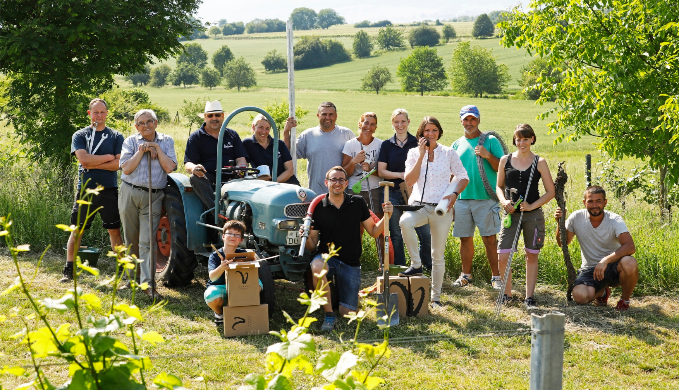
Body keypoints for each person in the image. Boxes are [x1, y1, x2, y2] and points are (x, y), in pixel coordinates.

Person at [303, 166, 392, 331]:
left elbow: (373, 232)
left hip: (351, 261)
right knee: (317, 268)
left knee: (347, 313)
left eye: (341, 180)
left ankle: (337, 299)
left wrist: (387, 217)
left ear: (346, 183)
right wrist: (306, 235)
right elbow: (312, 246)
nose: (337, 183)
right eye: (333, 180)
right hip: (327, 257)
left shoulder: (357, 203)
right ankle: (329, 315)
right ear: (326, 183)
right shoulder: (319, 207)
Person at [399, 117, 469, 309]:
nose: (430, 134)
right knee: (405, 222)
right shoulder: (413, 153)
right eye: (427, 131)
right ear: (420, 134)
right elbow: (410, 181)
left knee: (437, 254)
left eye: (434, 130)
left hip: (441, 208)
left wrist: (454, 194)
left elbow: (463, 177)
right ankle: (416, 264)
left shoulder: (448, 153)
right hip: (419, 206)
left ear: (439, 132)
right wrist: (422, 155)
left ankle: (435, 299)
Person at [61, 98, 125, 283]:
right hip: (86, 191)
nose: (99, 115)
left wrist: (96, 162)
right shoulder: (80, 135)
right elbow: (84, 161)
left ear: (107, 113)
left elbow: (118, 165)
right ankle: (69, 269)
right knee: (77, 231)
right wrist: (107, 157)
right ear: (89, 114)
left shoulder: (116, 136)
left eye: (102, 112)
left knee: (114, 232)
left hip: (109, 189)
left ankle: (121, 273)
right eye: (95, 112)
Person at [119, 109, 177, 298]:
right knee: (131, 237)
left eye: (149, 121)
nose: (146, 126)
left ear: (156, 123)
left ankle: (148, 284)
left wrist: (157, 149)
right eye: (141, 123)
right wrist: (142, 151)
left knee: (148, 241)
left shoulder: (166, 141)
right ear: (136, 126)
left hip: (153, 195)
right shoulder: (130, 141)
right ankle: (131, 279)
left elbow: (169, 167)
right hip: (130, 191)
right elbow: (126, 169)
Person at [496, 124, 555, 308]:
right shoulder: (505, 160)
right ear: (514, 140)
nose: (521, 143)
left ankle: (529, 297)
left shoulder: (540, 161)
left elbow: (550, 191)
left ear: (532, 139)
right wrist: (504, 202)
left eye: (525, 139)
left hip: (533, 215)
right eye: (518, 139)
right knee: (503, 255)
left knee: (531, 255)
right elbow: (499, 187)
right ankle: (507, 294)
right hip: (510, 214)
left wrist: (531, 206)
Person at [555, 186, 638, 311]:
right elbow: (563, 243)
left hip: (614, 266)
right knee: (579, 297)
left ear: (605, 202)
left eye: (598, 201)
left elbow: (630, 247)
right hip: (590, 269)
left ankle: (624, 301)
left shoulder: (614, 220)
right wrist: (559, 223)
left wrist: (605, 261)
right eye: (590, 201)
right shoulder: (576, 217)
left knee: (629, 262)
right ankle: (603, 292)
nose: (595, 205)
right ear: (584, 203)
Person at [451, 105, 506, 289]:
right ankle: (466, 275)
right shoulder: (456, 144)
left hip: (486, 199)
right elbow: (451, 175)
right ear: (461, 121)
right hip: (462, 199)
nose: (469, 123)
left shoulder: (490, 141)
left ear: (479, 120)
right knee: (465, 238)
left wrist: (487, 155)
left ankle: (496, 277)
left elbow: (503, 168)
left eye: (473, 119)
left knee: (490, 239)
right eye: (466, 119)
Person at [377, 109, 432, 270]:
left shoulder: (418, 142)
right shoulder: (386, 145)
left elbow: (427, 167)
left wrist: (410, 178)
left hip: (416, 192)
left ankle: (424, 266)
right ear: (392, 123)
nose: (400, 125)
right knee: (396, 234)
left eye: (403, 121)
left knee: (425, 233)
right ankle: (401, 268)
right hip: (392, 192)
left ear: (408, 122)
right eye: (396, 122)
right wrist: (403, 175)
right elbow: (381, 171)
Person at [184, 100, 248, 210]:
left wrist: (240, 167)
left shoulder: (232, 135)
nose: (214, 118)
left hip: (231, 176)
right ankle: (217, 212)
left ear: (222, 116)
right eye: (210, 116)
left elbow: (241, 158)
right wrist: (195, 168)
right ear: (205, 117)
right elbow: (188, 163)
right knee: (195, 178)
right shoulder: (196, 137)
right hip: (208, 177)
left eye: (217, 115)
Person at [284, 102, 354, 195]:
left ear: (336, 116)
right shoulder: (308, 135)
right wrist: (286, 132)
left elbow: (356, 160)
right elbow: (287, 154)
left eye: (331, 114)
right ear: (318, 115)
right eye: (324, 114)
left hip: (341, 193)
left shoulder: (347, 134)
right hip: (316, 192)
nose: (327, 117)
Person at [204, 220, 263, 326]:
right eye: (229, 233)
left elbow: (252, 276)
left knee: (258, 284)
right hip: (220, 288)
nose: (233, 236)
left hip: (238, 288)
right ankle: (219, 314)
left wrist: (253, 263)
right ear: (223, 236)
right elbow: (212, 277)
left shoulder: (244, 254)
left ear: (241, 240)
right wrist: (222, 267)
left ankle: (239, 312)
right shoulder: (215, 255)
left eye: (237, 235)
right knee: (212, 296)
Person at [341, 112, 382, 216]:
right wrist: (353, 162)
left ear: (375, 127)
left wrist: (370, 170)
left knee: (378, 220)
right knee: (355, 222)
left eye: (372, 124)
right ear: (360, 124)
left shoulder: (380, 144)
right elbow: (345, 173)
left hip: (375, 188)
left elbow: (383, 172)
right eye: (366, 123)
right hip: (354, 189)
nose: (369, 127)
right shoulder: (350, 144)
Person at [242, 114, 300, 185]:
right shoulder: (247, 144)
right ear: (253, 127)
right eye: (261, 127)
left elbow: (290, 170)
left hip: (287, 184)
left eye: (267, 128)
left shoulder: (279, 143)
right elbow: (243, 167)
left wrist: (272, 183)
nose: (264, 132)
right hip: (266, 187)